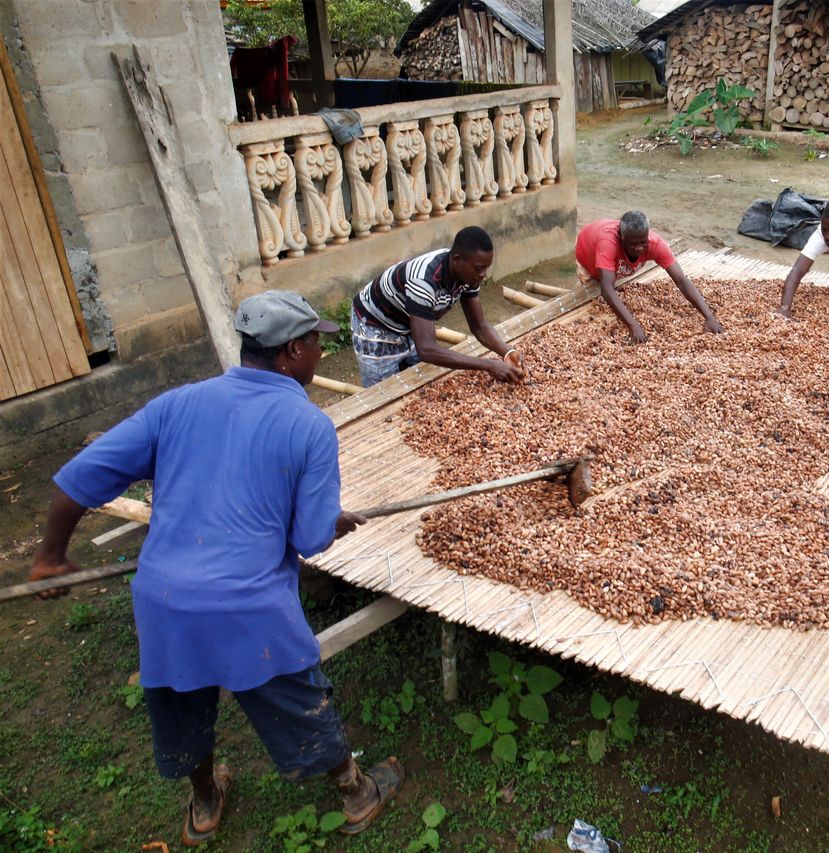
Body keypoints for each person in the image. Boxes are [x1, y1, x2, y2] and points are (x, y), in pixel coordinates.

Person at [28, 291, 402, 844]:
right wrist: (326, 520)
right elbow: (308, 538)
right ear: (292, 350)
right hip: (249, 608)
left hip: (164, 603)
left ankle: (204, 804)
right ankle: (355, 791)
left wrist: (49, 557)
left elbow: (78, 480)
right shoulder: (308, 424)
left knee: (180, 699)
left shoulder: (176, 404)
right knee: (299, 700)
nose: (322, 354)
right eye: (318, 344)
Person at [351, 226, 524, 387]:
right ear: (457, 260)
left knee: (420, 385)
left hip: (408, 323)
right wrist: (489, 365)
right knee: (386, 394)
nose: (483, 275)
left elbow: (479, 326)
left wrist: (508, 352)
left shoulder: (469, 275)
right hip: (374, 326)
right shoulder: (423, 281)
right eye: (479, 269)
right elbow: (426, 350)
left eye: (486, 268)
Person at [575, 211, 724, 343]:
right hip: (586, 254)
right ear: (621, 236)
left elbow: (681, 280)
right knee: (592, 290)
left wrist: (709, 316)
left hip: (610, 255)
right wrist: (633, 325)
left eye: (642, 242)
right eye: (633, 244)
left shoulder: (655, 244)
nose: (639, 248)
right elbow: (607, 288)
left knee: (612, 276)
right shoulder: (608, 243)